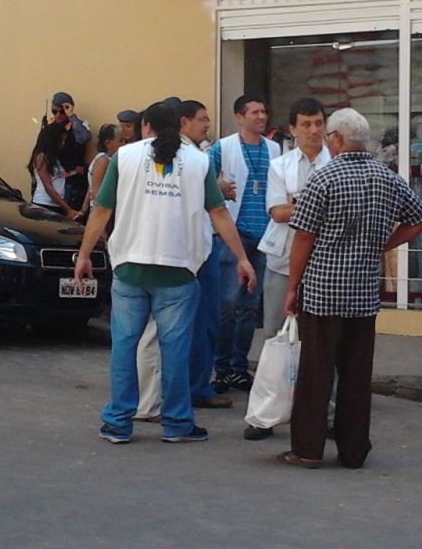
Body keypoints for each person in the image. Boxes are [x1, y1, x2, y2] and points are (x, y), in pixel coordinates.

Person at [72, 100, 256, 445]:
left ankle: (118, 422)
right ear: (179, 126)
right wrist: (242, 259)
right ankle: (177, 422)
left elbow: (101, 210)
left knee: (125, 345)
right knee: (175, 349)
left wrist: (84, 255)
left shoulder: (124, 157)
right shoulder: (199, 162)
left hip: (130, 265)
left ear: (146, 127)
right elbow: (218, 213)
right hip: (179, 269)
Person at [280, 107, 422, 470]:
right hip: (363, 293)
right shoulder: (388, 178)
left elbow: (304, 236)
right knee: (356, 375)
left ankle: (308, 449)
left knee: (316, 373)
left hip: (323, 291)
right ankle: (353, 450)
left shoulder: (323, 178)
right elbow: (420, 219)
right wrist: (384, 244)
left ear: (337, 139)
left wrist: (292, 286)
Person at [250, 97, 331, 392]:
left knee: (321, 337)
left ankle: (321, 403)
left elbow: (334, 211)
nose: (314, 130)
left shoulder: (335, 163)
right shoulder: (280, 166)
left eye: (318, 123)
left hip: (324, 262)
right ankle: (272, 402)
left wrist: (295, 201)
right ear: (293, 129)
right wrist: (318, 206)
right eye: (306, 124)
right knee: (275, 332)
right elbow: (277, 213)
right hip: (282, 259)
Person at [208, 95, 279, 390]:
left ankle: (239, 366)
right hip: (232, 235)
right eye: (254, 112)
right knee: (227, 304)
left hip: (263, 237)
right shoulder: (222, 148)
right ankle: (221, 367)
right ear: (239, 117)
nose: (261, 117)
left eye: (263, 111)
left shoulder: (274, 149)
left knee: (249, 307)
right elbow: (202, 181)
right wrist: (219, 187)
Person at [180, 100, 231, 410]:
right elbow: (216, 210)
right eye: (202, 119)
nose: (207, 124)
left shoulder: (197, 156)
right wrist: (217, 189)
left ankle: (193, 385)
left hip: (199, 244)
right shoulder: (194, 160)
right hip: (195, 248)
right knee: (200, 321)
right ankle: (193, 387)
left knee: (203, 320)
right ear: (184, 122)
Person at [29, 119, 79, 219]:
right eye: (61, 140)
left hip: (55, 204)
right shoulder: (41, 157)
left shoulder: (54, 159)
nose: (63, 144)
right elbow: (48, 186)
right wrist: (67, 209)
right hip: (44, 203)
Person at [85, 123, 122, 213]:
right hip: (102, 212)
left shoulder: (109, 159)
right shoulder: (103, 161)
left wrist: (83, 209)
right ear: (108, 143)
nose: (124, 144)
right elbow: (97, 192)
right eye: (121, 141)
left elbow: (91, 187)